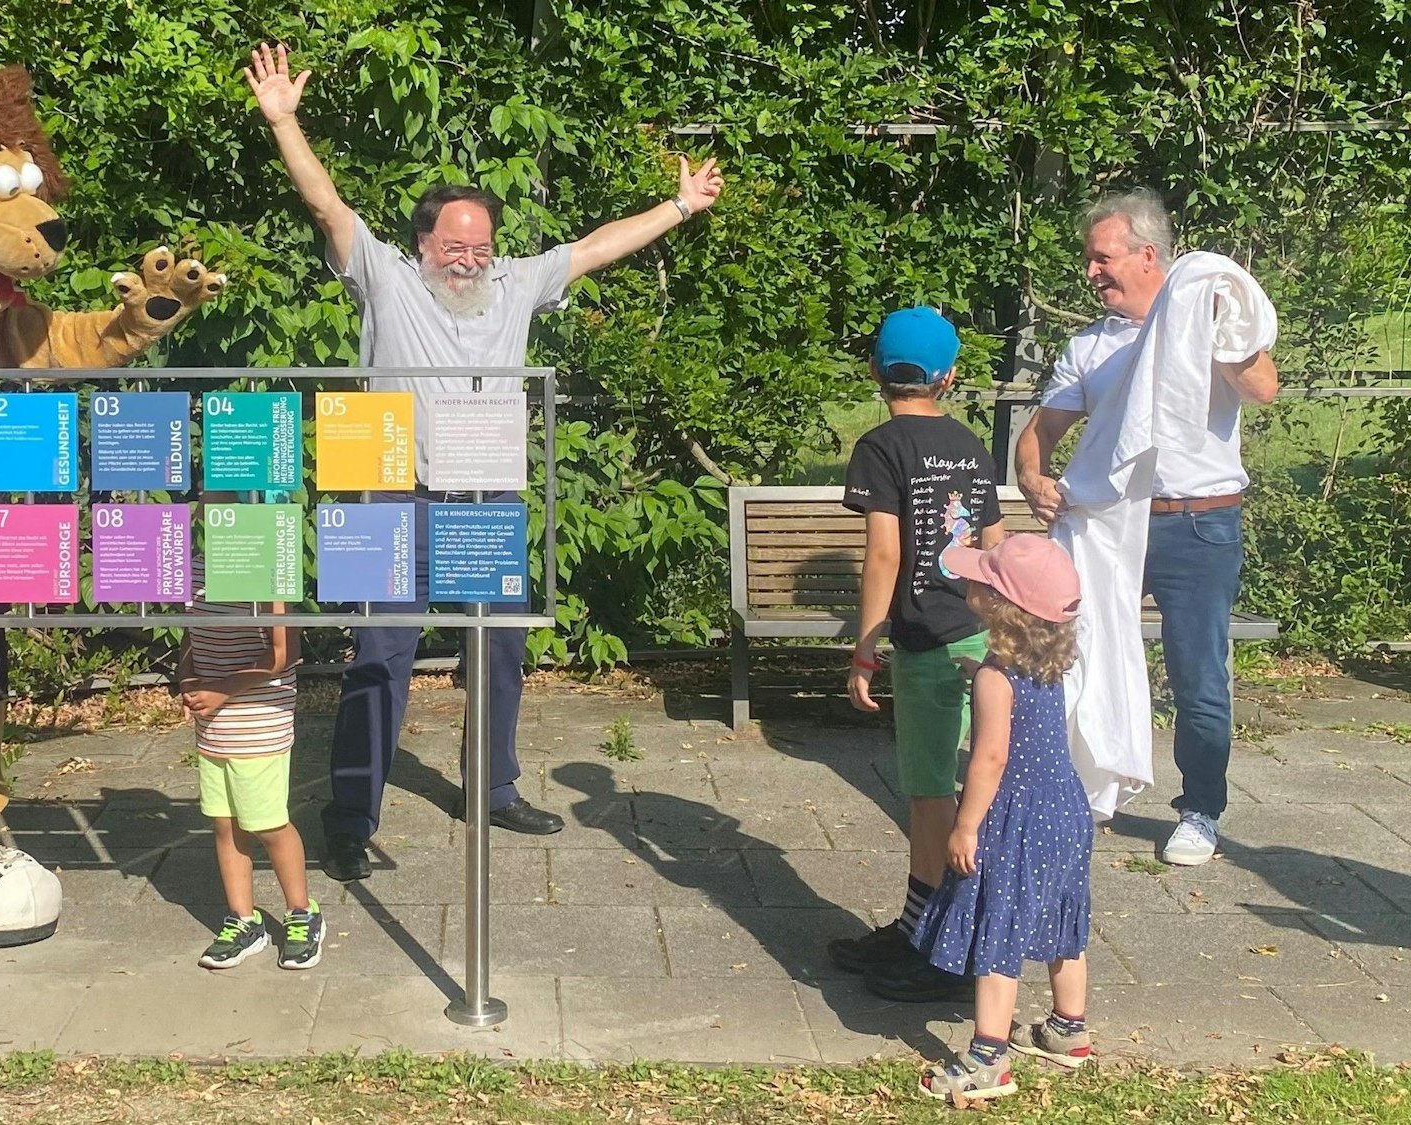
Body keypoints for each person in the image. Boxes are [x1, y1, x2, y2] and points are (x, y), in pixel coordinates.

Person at [246, 42, 725, 880]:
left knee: (499, 647)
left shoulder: (515, 285)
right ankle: (351, 815)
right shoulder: (384, 277)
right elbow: (326, 204)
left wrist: (679, 206)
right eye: (454, 243)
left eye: (480, 244)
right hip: (384, 496)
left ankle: (494, 787)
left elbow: (598, 246)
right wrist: (285, 121)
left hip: (486, 503)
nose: (468, 256)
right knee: (379, 654)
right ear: (422, 241)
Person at [1013, 189, 1279, 865]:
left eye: (1101, 258)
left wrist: (1221, 334)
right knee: (1070, 653)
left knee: (1198, 674)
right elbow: (1039, 434)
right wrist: (1033, 480)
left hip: (1198, 524)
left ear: (1146, 255)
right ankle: (1078, 786)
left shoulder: (1201, 318)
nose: (1091, 271)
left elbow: (1265, 388)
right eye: (1089, 259)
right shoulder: (1089, 346)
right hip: (1106, 529)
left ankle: (1201, 810)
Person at [830, 307, 1007, 1003]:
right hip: (976, 633)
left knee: (930, 793)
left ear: (875, 370)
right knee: (953, 786)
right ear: (950, 376)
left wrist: (865, 646)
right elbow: (993, 541)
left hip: (927, 643)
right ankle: (916, 926)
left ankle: (939, 951)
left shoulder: (879, 446)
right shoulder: (969, 442)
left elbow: (884, 552)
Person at [910, 534, 1092, 1103]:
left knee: (999, 929)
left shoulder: (996, 678)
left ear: (998, 604)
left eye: (980, 580)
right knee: (1064, 922)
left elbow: (990, 757)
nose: (969, 582)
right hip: (1067, 808)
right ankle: (1069, 1030)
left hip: (1019, 817)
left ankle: (989, 1059)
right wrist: (979, 674)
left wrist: (964, 826)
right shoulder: (1046, 663)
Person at [178, 516, 320, 970]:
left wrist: (224, 689)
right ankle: (244, 919)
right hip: (214, 726)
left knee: (268, 823)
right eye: (209, 498)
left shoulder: (268, 569)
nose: (216, 513)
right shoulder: (193, 569)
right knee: (224, 822)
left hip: (258, 720)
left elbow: (284, 652)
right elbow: (189, 633)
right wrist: (187, 678)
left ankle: (302, 913)